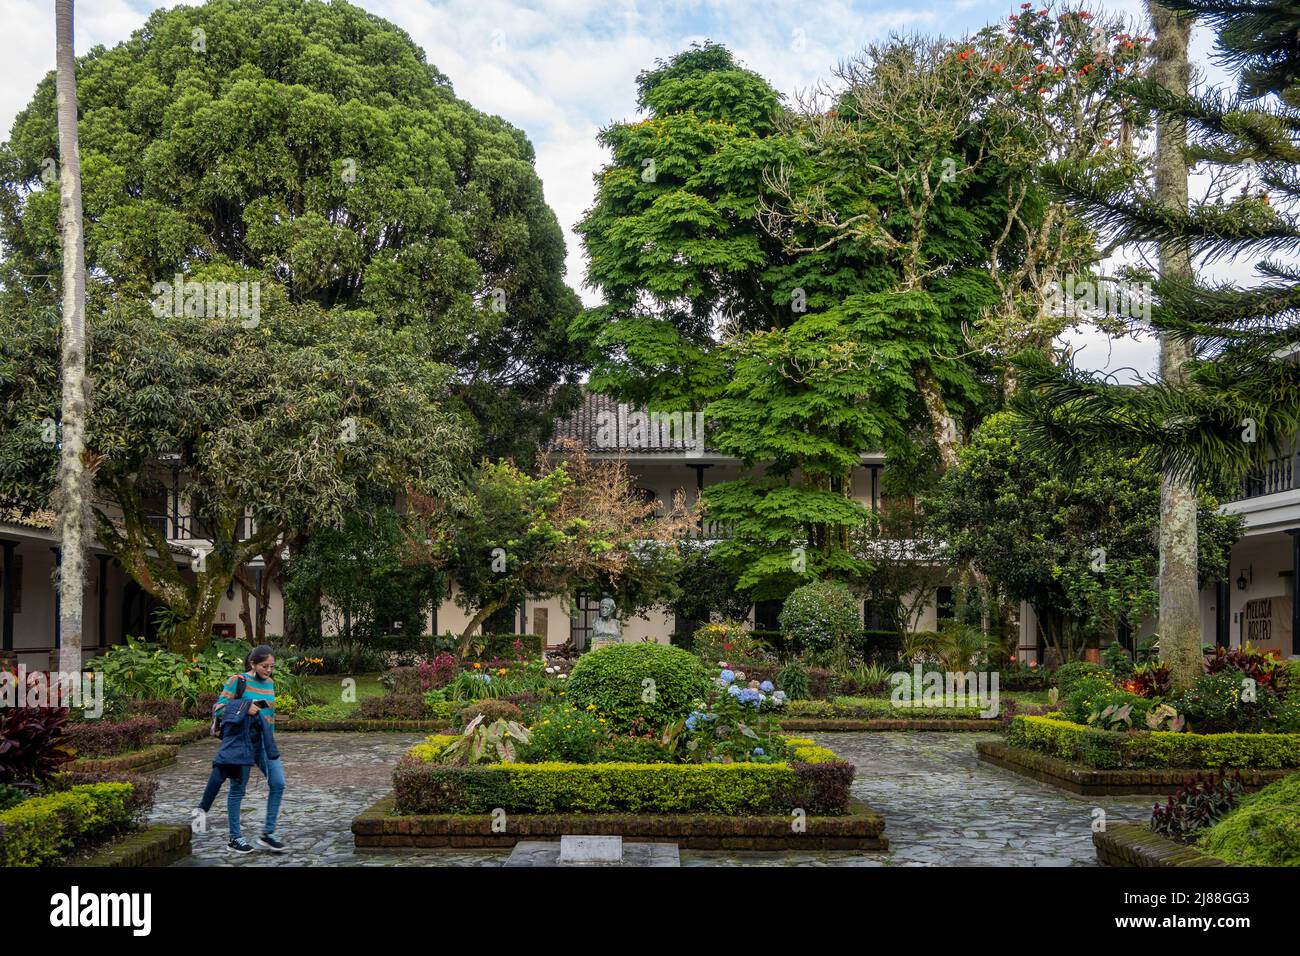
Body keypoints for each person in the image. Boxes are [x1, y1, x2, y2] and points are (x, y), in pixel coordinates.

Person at [195, 644, 288, 854]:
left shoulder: (270, 683)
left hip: (264, 743)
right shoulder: (237, 681)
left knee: (278, 782)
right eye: (265, 666)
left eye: (272, 667)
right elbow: (218, 709)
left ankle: (267, 834)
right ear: (253, 664)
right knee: (238, 789)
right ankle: (235, 838)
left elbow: (269, 716)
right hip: (242, 743)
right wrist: (246, 707)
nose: (269, 671)